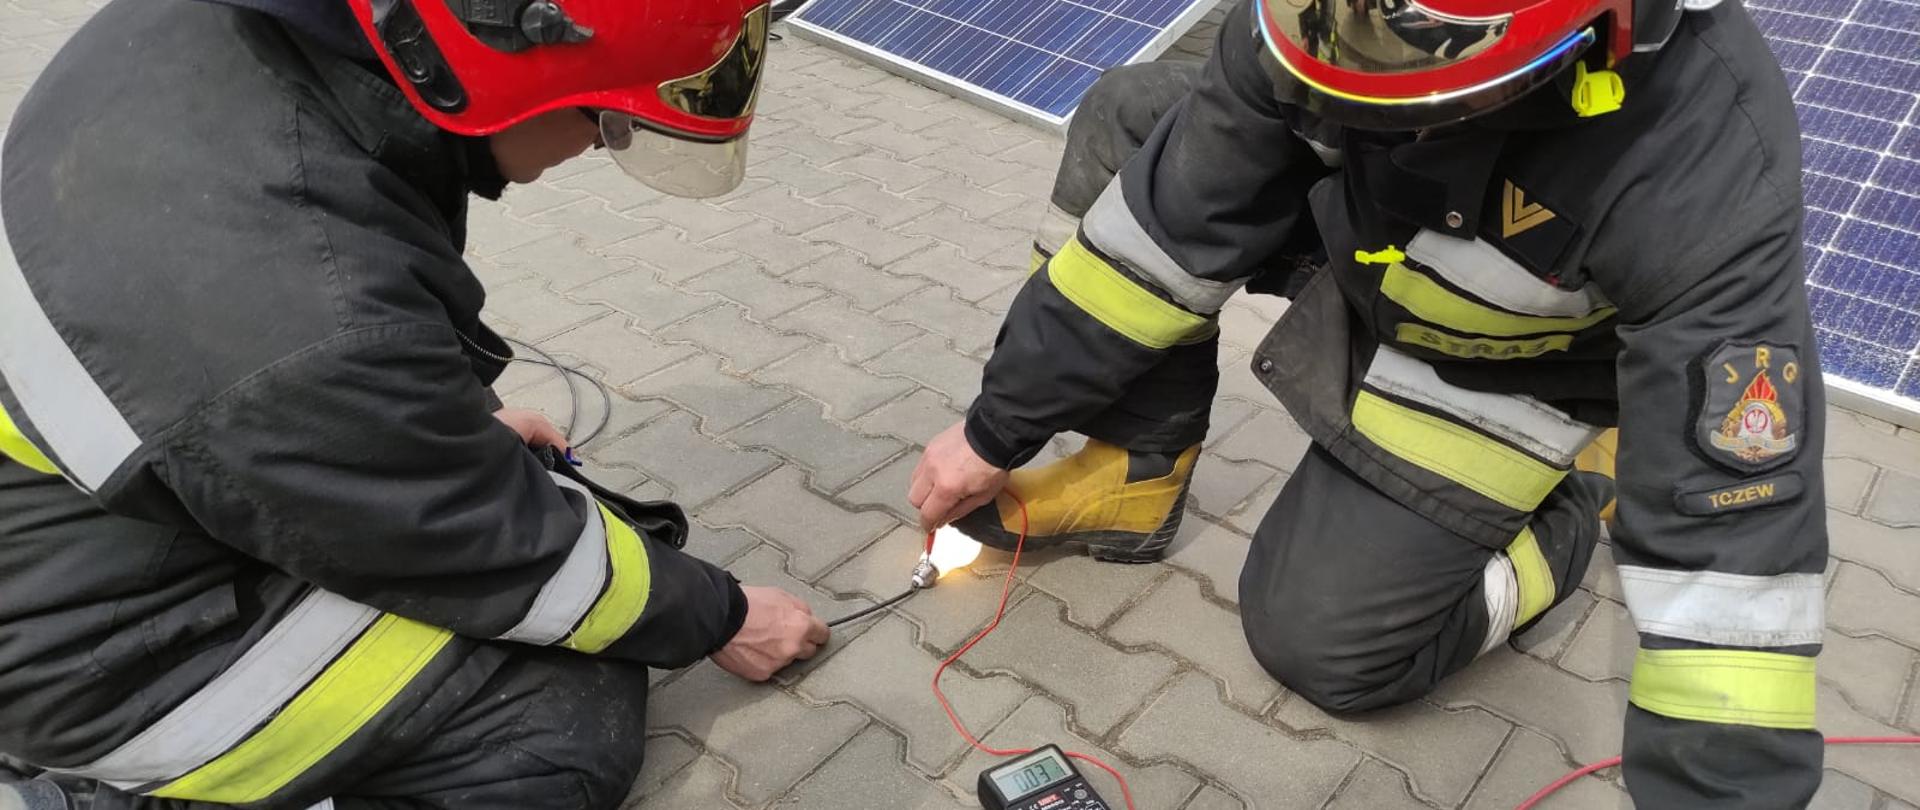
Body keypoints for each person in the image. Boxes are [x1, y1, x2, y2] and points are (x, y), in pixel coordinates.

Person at [908, 0, 1829, 806]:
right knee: (1132, 118)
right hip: (1370, 252)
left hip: (1511, 364)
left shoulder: (1707, 159)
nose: (1339, 77)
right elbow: (1160, 236)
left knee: (1322, 645)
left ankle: (1585, 490)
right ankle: (1136, 469)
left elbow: (1733, 561)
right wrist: (998, 428)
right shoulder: (1317, 25)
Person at [0, 0, 827, 807]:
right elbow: (487, 549)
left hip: (85, 527)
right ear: (505, 53)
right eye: (604, 122)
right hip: (84, 658)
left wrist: (436, 426)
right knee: (558, 721)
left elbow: (268, 355)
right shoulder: (310, 319)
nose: (599, 149)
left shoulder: (222, 36)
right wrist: (722, 614)